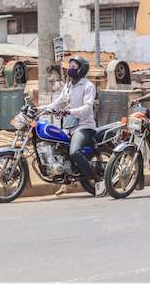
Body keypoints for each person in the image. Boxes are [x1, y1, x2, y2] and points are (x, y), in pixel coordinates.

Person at [37, 56, 105, 196]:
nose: (70, 68)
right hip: (68, 127)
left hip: (84, 126)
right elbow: (56, 104)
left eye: (74, 65)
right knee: (57, 149)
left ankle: (96, 179)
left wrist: (69, 111)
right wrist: (36, 109)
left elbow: (87, 108)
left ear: (82, 69)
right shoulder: (67, 87)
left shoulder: (88, 86)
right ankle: (67, 180)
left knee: (74, 152)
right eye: (70, 65)